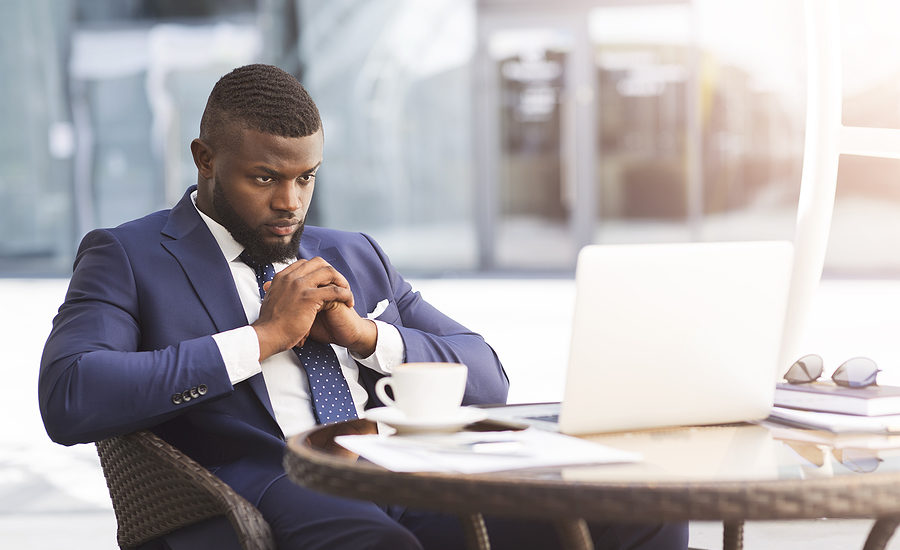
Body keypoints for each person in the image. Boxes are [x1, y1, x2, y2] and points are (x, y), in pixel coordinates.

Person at [39, 64, 687, 550]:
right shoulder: (129, 254)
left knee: (642, 508)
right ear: (206, 160)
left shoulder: (354, 254)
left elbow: (487, 376)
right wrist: (262, 338)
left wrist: (366, 335)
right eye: (265, 178)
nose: (291, 201)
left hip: (398, 474)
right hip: (264, 484)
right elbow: (71, 397)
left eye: (306, 177)